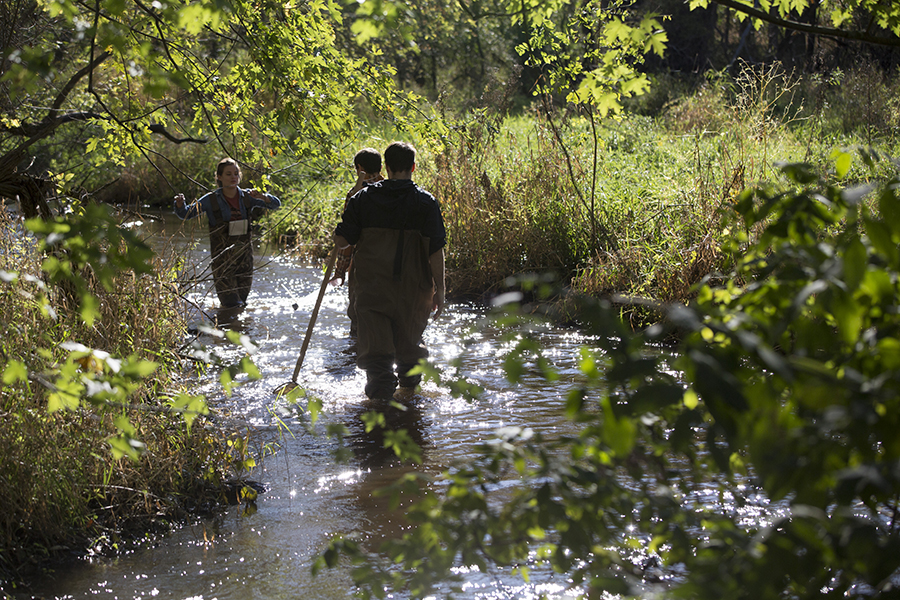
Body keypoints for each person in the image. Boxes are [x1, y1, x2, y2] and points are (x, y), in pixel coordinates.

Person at [333, 141, 446, 400]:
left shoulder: (363, 199)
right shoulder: (426, 203)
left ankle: (378, 416)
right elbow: (436, 251)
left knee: (377, 360)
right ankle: (409, 410)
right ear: (413, 167)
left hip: (372, 289)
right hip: (413, 290)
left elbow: (342, 242)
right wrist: (441, 290)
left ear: (386, 166)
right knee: (410, 355)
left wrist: (343, 222)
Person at [174, 158, 281, 308]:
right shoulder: (210, 200)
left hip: (245, 260)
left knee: (242, 303)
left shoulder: (248, 196)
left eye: (236, 173)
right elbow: (186, 214)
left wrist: (262, 197)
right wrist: (180, 204)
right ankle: (226, 328)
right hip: (222, 263)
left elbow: (276, 205)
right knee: (231, 304)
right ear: (219, 177)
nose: (233, 177)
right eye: (228, 174)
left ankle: (238, 329)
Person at [330, 148, 385, 335]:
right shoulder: (393, 190)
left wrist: (340, 271)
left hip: (364, 264)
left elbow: (347, 239)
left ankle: (357, 354)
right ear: (381, 167)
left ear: (359, 168)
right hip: (391, 262)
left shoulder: (356, 195)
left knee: (359, 318)